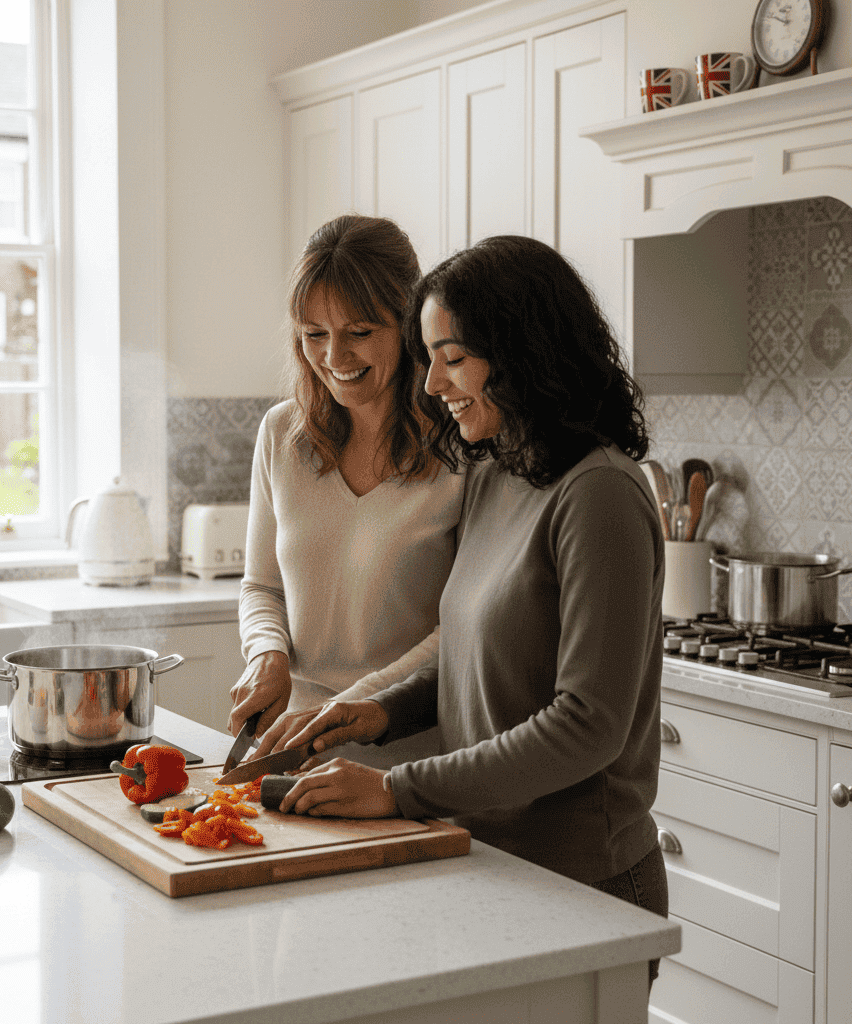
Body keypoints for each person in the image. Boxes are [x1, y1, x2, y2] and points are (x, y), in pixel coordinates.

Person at [274, 235, 668, 989]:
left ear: (525, 350)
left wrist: (396, 788)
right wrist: (381, 714)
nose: (432, 386)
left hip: (585, 884)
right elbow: (475, 651)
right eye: (429, 359)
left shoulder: (601, 494)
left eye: (453, 358)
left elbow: (587, 725)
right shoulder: (494, 472)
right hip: (487, 862)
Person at [230, 215, 463, 767]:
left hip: (414, 751)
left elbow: (464, 626)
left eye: (359, 333)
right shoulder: (282, 435)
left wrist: (348, 709)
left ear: (410, 326)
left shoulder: (462, 446)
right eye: (314, 334)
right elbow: (262, 586)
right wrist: (267, 655)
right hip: (295, 746)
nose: (335, 358)